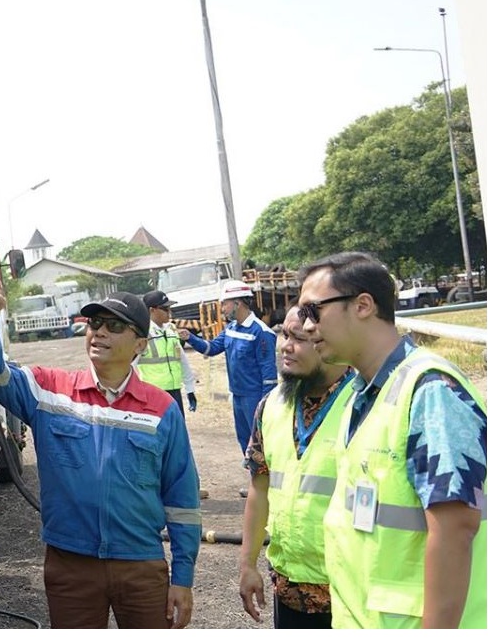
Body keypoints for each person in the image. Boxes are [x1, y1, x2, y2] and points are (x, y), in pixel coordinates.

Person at [0, 264, 200, 628]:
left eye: (115, 326)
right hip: (70, 566)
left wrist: (182, 578)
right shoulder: (49, 391)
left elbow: (182, 500)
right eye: (95, 324)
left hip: (140, 564)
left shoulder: (162, 410)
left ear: (140, 343)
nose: (100, 332)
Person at [297, 251, 485, 628]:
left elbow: (455, 528)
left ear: (363, 305)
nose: (305, 326)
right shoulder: (359, 394)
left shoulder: (431, 390)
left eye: (313, 311)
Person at [238, 307, 353, 628]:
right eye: (285, 335)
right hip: (289, 589)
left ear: (333, 344)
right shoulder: (271, 405)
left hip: (352, 594)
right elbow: (259, 489)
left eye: (299, 338)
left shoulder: (366, 406)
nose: (285, 346)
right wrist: (248, 564)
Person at [179, 283, 278, 457]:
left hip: (254, 397)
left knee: (260, 443)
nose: (222, 309)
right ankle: (254, 479)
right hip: (238, 396)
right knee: (245, 441)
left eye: (225, 304)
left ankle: (266, 481)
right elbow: (212, 348)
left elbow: (269, 376)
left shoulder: (261, 332)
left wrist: (265, 406)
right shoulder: (231, 328)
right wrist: (191, 338)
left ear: (238, 304)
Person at [138, 290, 197, 413]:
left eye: (169, 308)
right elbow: (130, 366)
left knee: (178, 430)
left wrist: (190, 389)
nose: (169, 312)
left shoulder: (170, 330)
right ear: (151, 310)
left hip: (175, 392)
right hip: (153, 394)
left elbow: (182, 361)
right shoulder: (143, 334)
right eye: (165, 309)